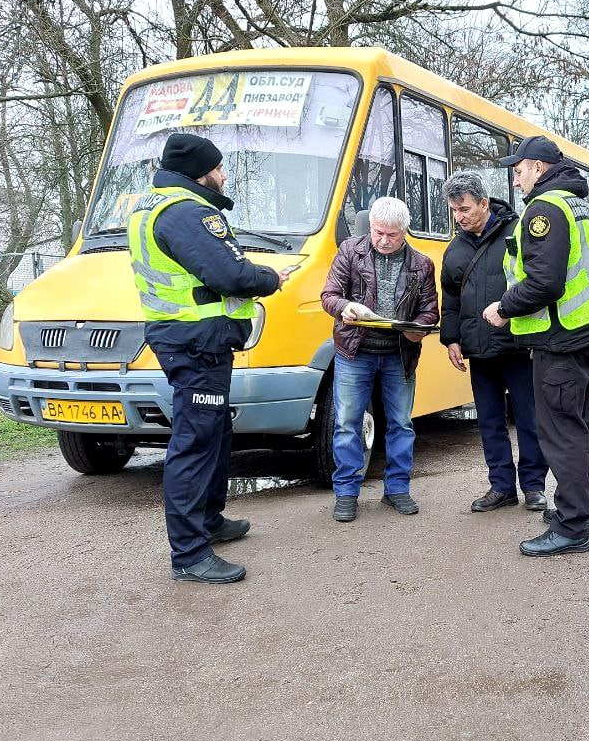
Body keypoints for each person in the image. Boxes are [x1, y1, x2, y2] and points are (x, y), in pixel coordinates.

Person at [127, 132, 287, 584]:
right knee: (195, 442)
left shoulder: (154, 207)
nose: (223, 175)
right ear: (201, 172)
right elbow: (229, 274)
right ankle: (190, 555)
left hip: (194, 339)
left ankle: (210, 521)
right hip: (194, 341)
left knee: (215, 430)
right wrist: (270, 277)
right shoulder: (186, 212)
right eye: (218, 168)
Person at [482, 136, 589, 557]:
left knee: (560, 432)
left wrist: (503, 308)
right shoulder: (577, 204)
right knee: (577, 426)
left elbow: (545, 282)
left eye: (518, 171)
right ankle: (582, 509)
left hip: (561, 338)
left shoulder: (546, 208)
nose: (515, 180)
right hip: (584, 331)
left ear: (537, 168)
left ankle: (572, 525)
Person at [321, 196, 438, 523]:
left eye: (392, 235)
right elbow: (329, 295)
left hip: (398, 354)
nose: (384, 241)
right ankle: (346, 492)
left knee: (401, 423)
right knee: (347, 423)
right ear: (370, 227)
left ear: (405, 232)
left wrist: (419, 330)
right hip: (354, 351)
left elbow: (430, 310)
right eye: (378, 233)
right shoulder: (349, 251)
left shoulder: (421, 264)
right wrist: (345, 308)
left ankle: (397, 489)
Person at [439, 170, 548, 514]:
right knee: (489, 421)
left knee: (529, 419)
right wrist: (451, 339)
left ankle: (533, 486)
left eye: (465, 209)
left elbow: (534, 281)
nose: (459, 217)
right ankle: (501, 486)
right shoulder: (455, 248)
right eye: (454, 211)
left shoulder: (517, 231)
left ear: (484, 203)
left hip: (517, 345)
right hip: (478, 349)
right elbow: (451, 298)